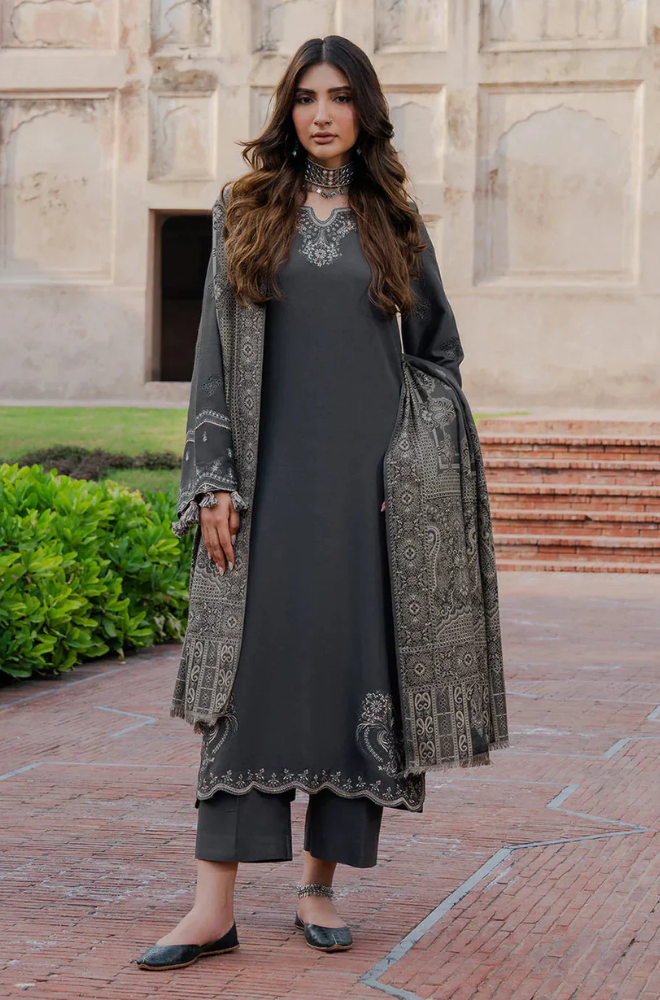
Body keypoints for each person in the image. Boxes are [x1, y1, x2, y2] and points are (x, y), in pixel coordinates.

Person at [136, 34, 493, 972]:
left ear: (364, 110)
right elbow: (214, 356)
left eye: (338, 97)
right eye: (305, 97)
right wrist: (214, 479)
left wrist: (413, 471)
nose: (322, 114)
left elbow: (438, 358)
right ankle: (211, 908)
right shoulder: (246, 207)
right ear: (286, 110)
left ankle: (317, 887)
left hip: (369, 501)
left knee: (350, 682)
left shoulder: (394, 222)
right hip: (266, 489)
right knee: (243, 685)